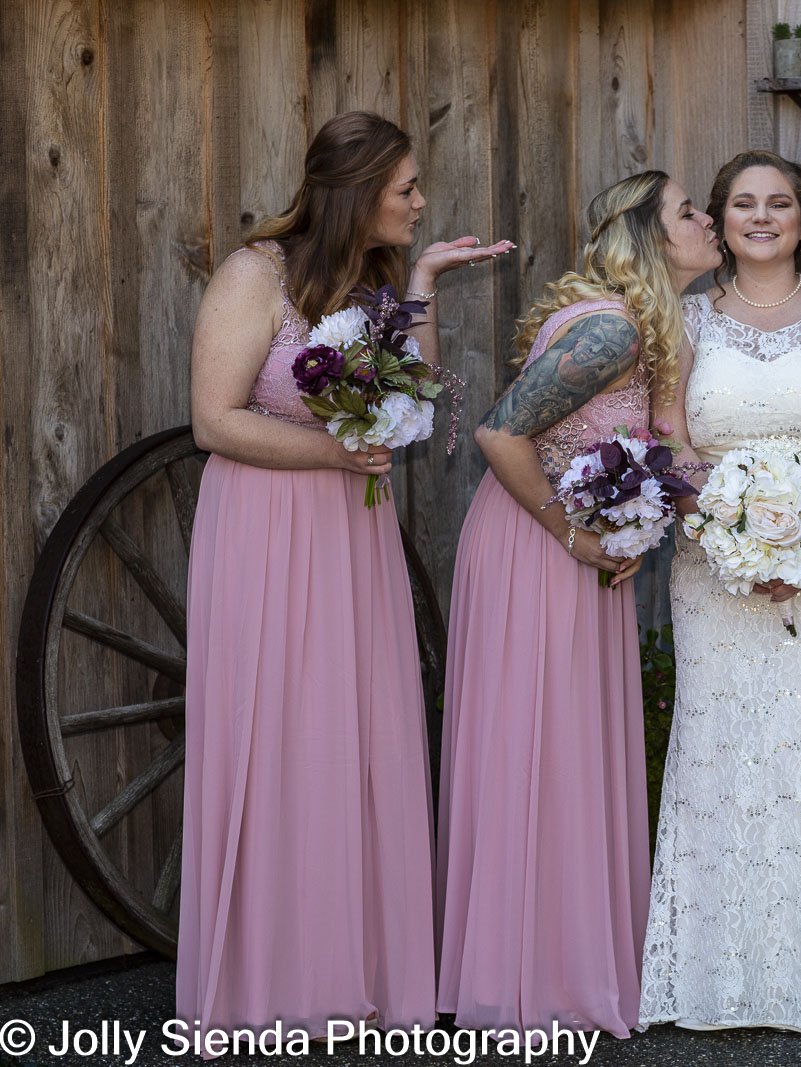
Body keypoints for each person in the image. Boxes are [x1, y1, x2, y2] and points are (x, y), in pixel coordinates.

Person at [179, 110, 510, 1043]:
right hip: (265, 529)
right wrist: (333, 452)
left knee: (352, 736)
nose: (416, 202)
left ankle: (353, 971)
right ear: (360, 189)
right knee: (275, 733)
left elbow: (417, 402)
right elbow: (214, 420)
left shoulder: (374, 282)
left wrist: (429, 282)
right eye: (405, 188)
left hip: (353, 536)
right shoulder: (258, 274)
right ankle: (265, 983)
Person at [434, 171, 720, 1038]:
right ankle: (532, 977)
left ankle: (567, 957)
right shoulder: (606, 329)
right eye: (688, 212)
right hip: (538, 547)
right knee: (540, 746)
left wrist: (754, 516)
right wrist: (576, 536)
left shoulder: (652, 327)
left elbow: (671, 445)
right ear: (645, 237)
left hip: (581, 549)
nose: (706, 219)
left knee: (568, 750)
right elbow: (497, 433)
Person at [638, 151, 801, 1037]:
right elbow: (668, 449)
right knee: (719, 744)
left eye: (780, 202)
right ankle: (711, 978)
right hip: (713, 567)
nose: (761, 217)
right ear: (719, 218)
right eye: (742, 203)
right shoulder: (683, 319)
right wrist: (726, 538)